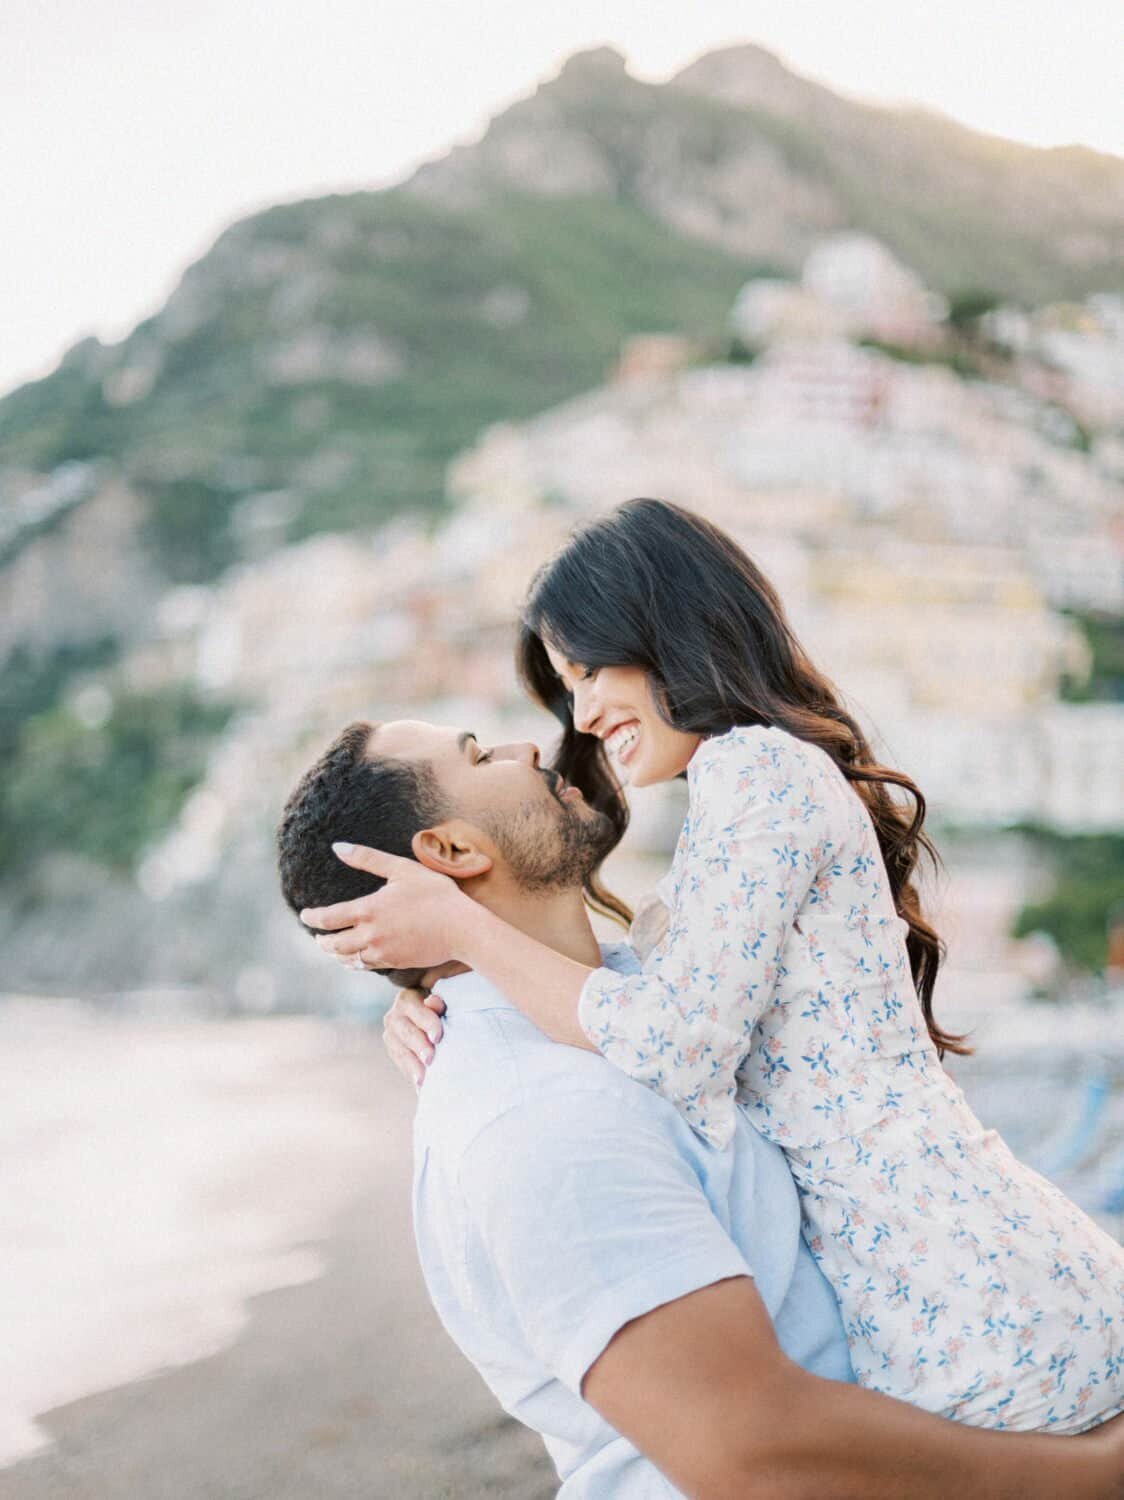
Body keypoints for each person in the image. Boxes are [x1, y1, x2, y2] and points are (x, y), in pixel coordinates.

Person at [302, 499, 1124, 1435]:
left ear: (666, 632)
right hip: (944, 1288)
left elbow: (674, 1040)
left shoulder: (757, 771)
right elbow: (657, 998)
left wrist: (464, 928)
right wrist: (440, 992)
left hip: (968, 1296)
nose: (581, 715)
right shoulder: (745, 789)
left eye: (588, 672)